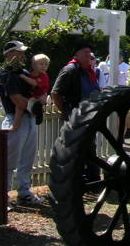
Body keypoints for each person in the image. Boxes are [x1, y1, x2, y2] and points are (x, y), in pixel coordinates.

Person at [0, 40, 44, 208]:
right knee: (9, 162)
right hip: (16, 119)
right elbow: (17, 100)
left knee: (27, 160)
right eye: (19, 53)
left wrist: (34, 104)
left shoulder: (22, 72)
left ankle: (24, 192)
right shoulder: (6, 74)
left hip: (28, 119)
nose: (23, 56)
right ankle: (3, 198)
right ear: (9, 55)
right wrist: (34, 105)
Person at [51, 43, 101, 185]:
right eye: (85, 52)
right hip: (75, 117)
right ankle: (76, 181)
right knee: (75, 150)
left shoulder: (89, 71)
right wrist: (65, 111)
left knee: (90, 149)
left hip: (89, 116)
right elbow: (56, 93)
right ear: (76, 55)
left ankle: (93, 181)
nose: (89, 55)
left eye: (90, 53)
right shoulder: (70, 70)